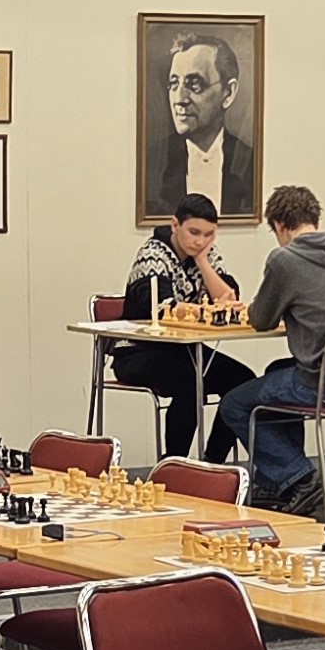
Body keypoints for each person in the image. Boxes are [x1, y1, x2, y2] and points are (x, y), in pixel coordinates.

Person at [213, 186, 325, 516]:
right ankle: (277, 484)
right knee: (275, 373)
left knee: (234, 403)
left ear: (279, 226)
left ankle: (299, 477)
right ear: (315, 219)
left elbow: (261, 319)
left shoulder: (285, 259)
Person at [110, 193, 253, 463]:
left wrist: (203, 263)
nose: (201, 241)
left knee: (243, 381)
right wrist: (209, 309)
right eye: (194, 232)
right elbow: (162, 308)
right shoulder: (152, 254)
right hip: (137, 351)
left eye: (209, 235)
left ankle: (212, 461)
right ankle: (175, 463)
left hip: (184, 350)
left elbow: (230, 299)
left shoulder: (207, 255)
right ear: (175, 225)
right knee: (190, 384)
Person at [147, 32, 256, 215]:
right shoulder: (152, 162)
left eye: (194, 84)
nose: (179, 99)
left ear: (228, 93)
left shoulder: (249, 163)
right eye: (174, 84)